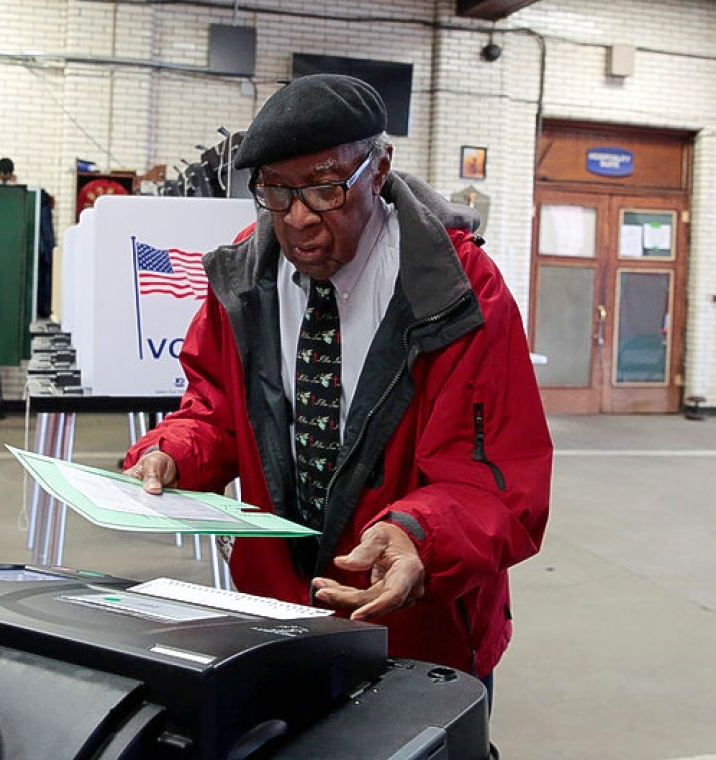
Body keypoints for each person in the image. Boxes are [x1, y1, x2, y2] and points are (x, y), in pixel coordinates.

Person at [123, 75, 552, 695]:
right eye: (274, 191)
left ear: (378, 170)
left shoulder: (458, 290)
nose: (299, 220)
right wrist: (170, 452)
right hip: (278, 615)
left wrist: (418, 538)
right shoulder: (246, 275)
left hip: (416, 627)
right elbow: (214, 410)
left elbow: (495, 477)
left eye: (325, 189)